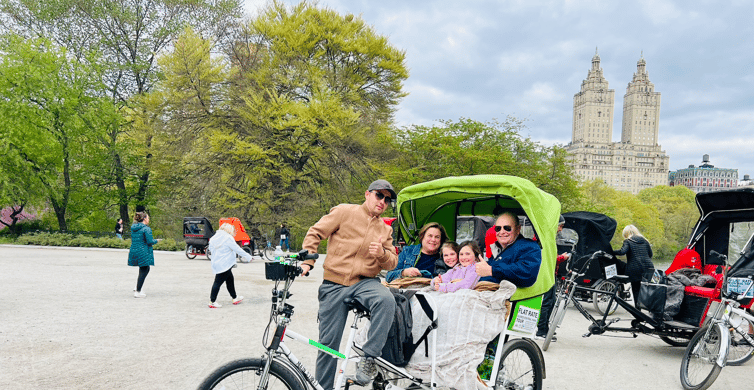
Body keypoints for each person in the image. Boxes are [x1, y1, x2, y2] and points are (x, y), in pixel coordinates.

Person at [300, 179, 399, 388]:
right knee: (327, 346)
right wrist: (308, 262)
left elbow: (392, 262)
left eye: (387, 199)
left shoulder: (385, 230)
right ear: (367, 194)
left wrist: (381, 255)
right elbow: (315, 233)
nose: (382, 201)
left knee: (386, 300)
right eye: (379, 195)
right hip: (334, 283)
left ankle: (369, 358)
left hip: (364, 282)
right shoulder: (344, 211)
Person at [476, 212, 542, 287]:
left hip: (502, 295)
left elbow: (527, 272)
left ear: (518, 229)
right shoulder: (497, 248)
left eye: (507, 228)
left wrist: (492, 270)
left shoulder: (529, 247)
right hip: (483, 290)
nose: (502, 232)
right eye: (498, 228)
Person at [535, 215, 572, 340]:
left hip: (551, 274)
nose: (561, 229)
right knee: (546, 302)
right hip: (546, 275)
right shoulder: (545, 237)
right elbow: (548, 258)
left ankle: (545, 328)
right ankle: (541, 331)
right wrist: (563, 258)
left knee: (551, 301)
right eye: (560, 226)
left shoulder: (547, 236)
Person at [207, 223, 252, 308]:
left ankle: (235, 297)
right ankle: (212, 301)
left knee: (230, 279)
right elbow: (237, 249)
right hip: (226, 264)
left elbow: (210, 250)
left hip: (218, 263)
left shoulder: (213, 238)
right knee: (218, 282)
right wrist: (248, 256)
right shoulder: (228, 238)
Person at [612, 224, 654, 309]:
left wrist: (611, 252)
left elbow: (622, 252)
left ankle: (638, 311)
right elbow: (650, 254)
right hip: (648, 268)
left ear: (626, 233)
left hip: (635, 268)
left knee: (636, 289)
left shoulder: (628, 241)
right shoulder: (645, 241)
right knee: (645, 288)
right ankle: (649, 307)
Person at [128, 210, 160, 298]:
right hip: (143, 251)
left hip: (134, 250)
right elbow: (149, 241)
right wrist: (156, 240)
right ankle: (138, 291)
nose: (149, 219)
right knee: (145, 269)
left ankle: (138, 286)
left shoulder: (133, 228)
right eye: (148, 218)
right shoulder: (146, 229)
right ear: (144, 219)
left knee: (144, 268)